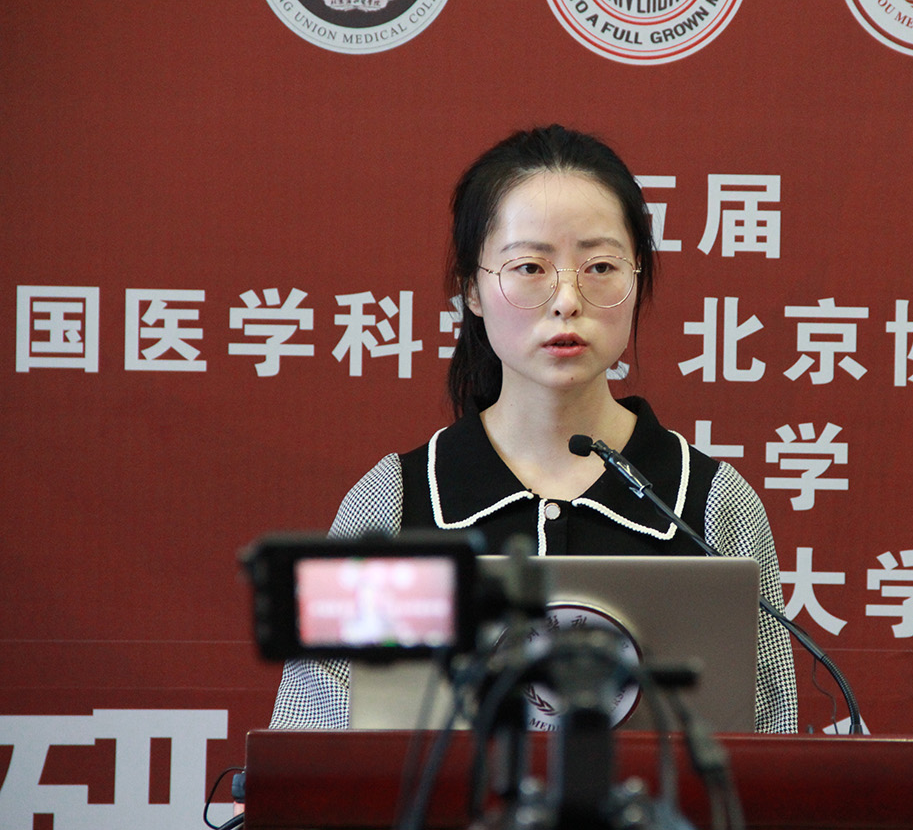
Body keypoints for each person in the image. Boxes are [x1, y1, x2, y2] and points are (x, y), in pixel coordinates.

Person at [269, 125, 797, 733]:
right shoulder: (397, 501)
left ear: (638, 280)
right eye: (529, 266)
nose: (567, 299)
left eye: (600, 266)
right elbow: (313, 744)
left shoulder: (711, 504)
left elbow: (770, 743)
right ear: (471, 289)